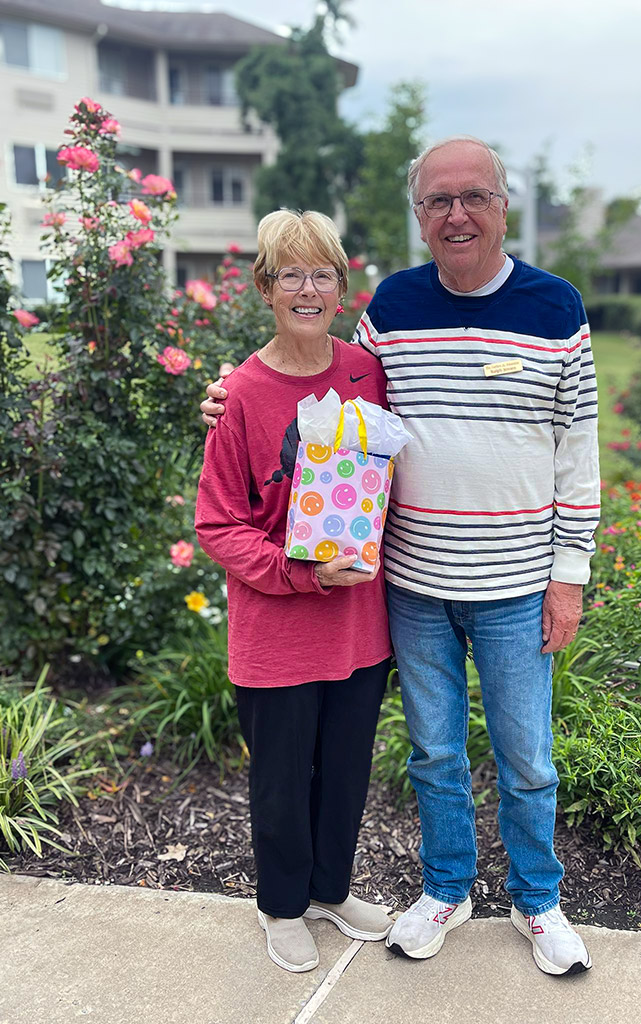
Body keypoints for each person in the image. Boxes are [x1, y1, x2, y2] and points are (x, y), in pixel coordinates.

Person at [201, 137, 600, 976]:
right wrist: (225, 396)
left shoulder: (556, 308)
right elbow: (318, 401)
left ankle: (540, 902)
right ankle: (445, 891)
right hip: (409, 586)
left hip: (513, 584)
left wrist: (570, 578)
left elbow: (579, 451)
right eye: (437, 202)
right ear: (420, 216)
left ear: (501, 202)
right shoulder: (391, 314)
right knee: (434, 756)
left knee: (527, 759)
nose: (457, 214)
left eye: (474, 197)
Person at [195, 209, 393, 974]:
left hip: (357, 626)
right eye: (290, 274)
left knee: (344, 773)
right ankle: (281, 904)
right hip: (276, 630)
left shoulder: (364, 374)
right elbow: (217, 523)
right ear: (265, 288)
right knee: (281, 782)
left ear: (342, 290)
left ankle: (329, 890)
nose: (306, 289)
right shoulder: (240, 393)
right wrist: (297, 573)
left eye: (321, 274)